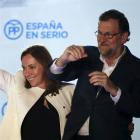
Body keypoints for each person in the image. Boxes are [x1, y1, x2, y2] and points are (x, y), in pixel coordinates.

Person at [49, 9, 140, 140]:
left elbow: (137, 108)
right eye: (99, 33)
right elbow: (55, 76)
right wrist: (62, 60)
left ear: (124, 37)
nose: (101, 40)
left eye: (108, 35)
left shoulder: (136, 67)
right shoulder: (88, 54)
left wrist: (114, 90)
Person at [0, 45, 76, 140]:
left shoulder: (68, 90)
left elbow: (81, 128)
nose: (26, 73)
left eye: (32, 67)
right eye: (24, 68)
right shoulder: (16, 86)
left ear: (45, 65)